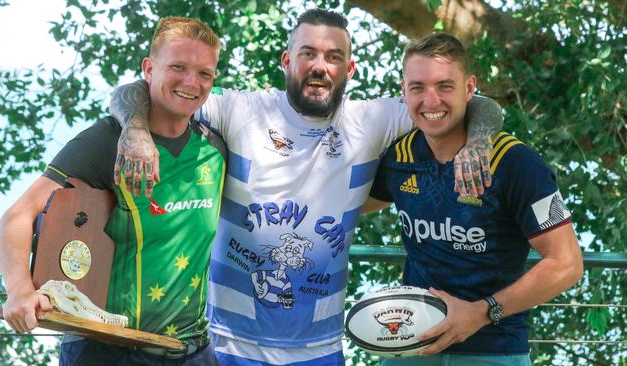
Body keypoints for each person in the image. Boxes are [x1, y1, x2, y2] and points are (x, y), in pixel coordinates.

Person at [109, 10, 504, 366]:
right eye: (308, 53)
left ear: (349, 69)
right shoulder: (240, 110)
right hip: (226, 344)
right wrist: (135, 128)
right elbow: (138, 90)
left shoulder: (374, 121)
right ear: (287, 60)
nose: (320, 66)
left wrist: (479, 141)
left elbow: (479, 105)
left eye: (333, 57)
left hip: (319, 348)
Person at [0, 17, 225, 365]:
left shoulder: (216, 148)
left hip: (192, 352)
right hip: (108, 351)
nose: (191, 82)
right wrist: (20, 291)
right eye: (178, 67)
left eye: (204, 73)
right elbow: (17, 215)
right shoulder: (107, 142)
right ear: (149, 68)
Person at [366, 33, 584, 366]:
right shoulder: (399, 155)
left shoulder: (517, 163)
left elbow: (567, 264)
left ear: (469, 88)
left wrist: (482, 312)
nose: (431, 100)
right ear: (404, 90)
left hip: (493, 348)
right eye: (418, 87)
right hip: (412, 345)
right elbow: (351, 204)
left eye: (445, 86)